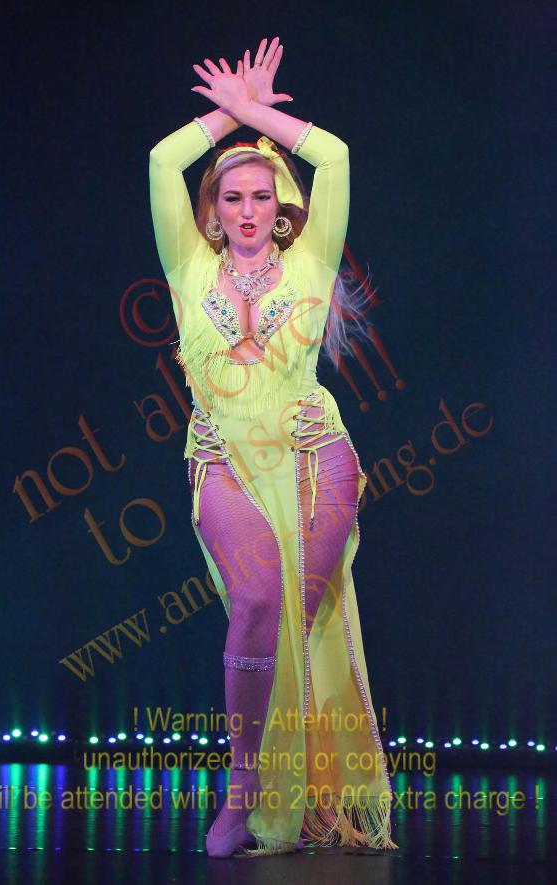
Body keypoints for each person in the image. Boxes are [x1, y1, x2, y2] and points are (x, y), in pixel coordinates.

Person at [149, 37, 397, 858]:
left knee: (299, 617)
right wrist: (230, 114)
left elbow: (336, 155)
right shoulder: (188, 268)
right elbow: (161, 160)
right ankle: (245, 788)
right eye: (232, 197)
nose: (248, 210)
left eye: (262, 195)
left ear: (282, 204)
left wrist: (258, 114)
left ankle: (312, 792)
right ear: (213, 208)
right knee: (257, 601)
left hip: (314, 452)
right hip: (222, 457)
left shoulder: (311, 260)